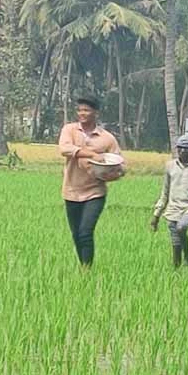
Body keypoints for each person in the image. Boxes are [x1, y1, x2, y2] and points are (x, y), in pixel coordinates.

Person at [58, 95, 124, 267]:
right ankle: (83, 266)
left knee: (86, 232)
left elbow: (119, 165)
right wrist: (93, 154)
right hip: (71, 190)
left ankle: (87, 270)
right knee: (76, 234)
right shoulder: (70, 130)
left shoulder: (107, 138)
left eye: (86, 110)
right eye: (80, 110)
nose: (82, 113)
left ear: (96, 113)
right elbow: (64, 148)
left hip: (95, 192)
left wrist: (114, 175)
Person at [150, 135, 188, 268]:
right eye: (180, 148)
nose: (182, 151)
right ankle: (176, 271)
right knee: (175, 243)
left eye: (185, 148)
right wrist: (156, 215)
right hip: (172, 209)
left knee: (182, 227)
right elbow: (165, 192)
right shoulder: (170, 166)